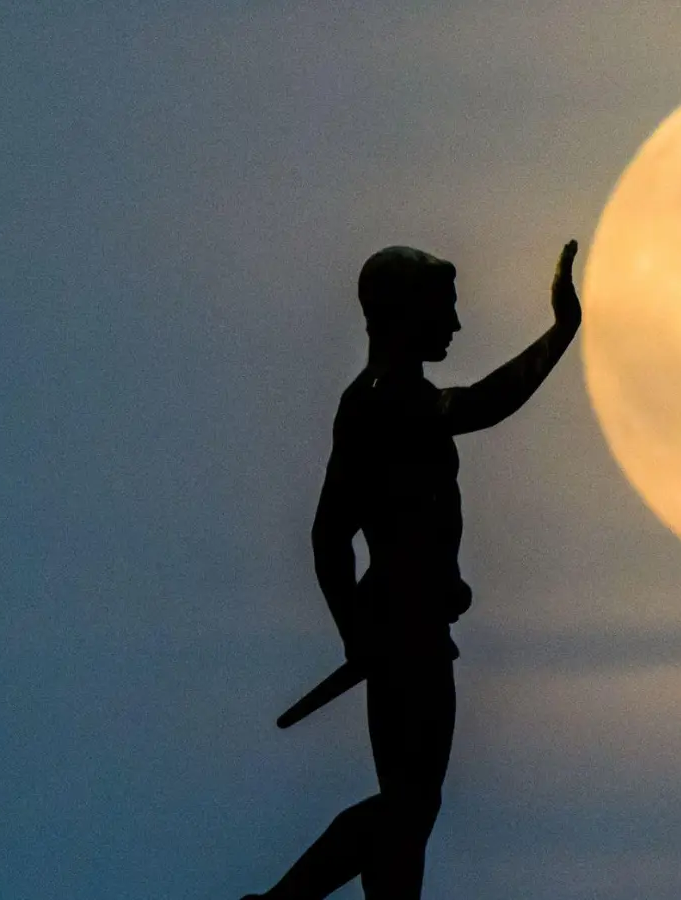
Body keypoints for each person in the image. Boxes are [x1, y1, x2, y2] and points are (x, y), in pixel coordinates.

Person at [244, 240, 583, 899]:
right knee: (408, 807)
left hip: (412, 626)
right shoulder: (385, 404)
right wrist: (357, 632)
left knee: (409, 814)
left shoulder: (383, 400)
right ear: (404, 315)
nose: (456, 326)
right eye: (444, 311)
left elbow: (334, 535)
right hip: (405, 632)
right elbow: (329, 536)